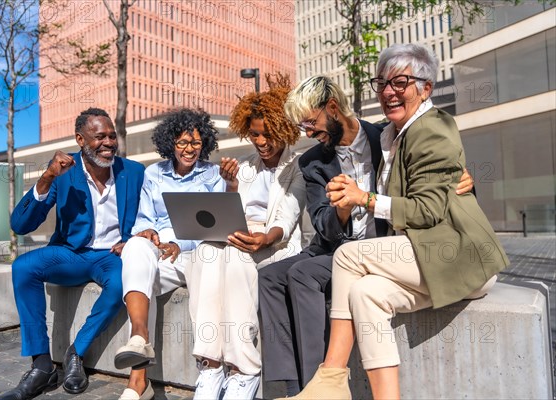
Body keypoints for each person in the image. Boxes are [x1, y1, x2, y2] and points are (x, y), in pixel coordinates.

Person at [283, 43, 509, 400]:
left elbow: (429, 209)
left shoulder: (430, 128)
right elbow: (434, 187)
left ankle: (331, 380)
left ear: (426, 89)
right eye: (383, 83)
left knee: (347, 258)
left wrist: (365, 198)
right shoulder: (393, 135)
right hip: (427, 256)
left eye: (401, 82)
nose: (389, 92)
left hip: (459, 258)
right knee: (364, 292)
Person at [258, 75, 475, 396]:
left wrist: (466, 183)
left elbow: (433, 183)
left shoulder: (386, 140)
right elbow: (324, 227)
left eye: (310, 122)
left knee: (302, 274)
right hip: (335, 245)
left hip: (381, 249)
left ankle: (318, 385)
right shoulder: (313, 162)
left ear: (332, 107)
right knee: (269, 277)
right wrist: (343, 207)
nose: (307, 132)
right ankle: (288, 385)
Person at [0, 108, 145, 400]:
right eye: (98, 137)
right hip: (71, 254)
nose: (108, 143)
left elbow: (151, 215)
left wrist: (133, 239)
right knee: (23, 267)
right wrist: (46, 178)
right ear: (80, 139)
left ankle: (75, 354)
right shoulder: (63, 173)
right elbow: (20, 224)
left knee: (121, 284)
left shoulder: (134, 171)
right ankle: (41, 366)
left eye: (111, 135)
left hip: (112, 257)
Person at [185, 74, 307, 400]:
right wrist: (231, 186)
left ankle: (244, 370)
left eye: (269, 134)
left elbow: (288, 218)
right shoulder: (245, 166)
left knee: (236, 257)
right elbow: (228, 213)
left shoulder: (298, 167)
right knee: (205, 253)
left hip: (275, 244)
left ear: (285, 131)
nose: (262, 141)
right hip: (238, 235)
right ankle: (210, 365)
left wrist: (266, 237)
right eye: (254, 134)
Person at [113, 108, 224, 400]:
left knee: (142, 278)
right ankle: (140, 338)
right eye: (183, 143)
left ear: (205, 143)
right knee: (136, 247)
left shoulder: (213, 175)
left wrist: (180, 245)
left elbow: (216, 227)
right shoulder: (154, 173)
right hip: (159, 252)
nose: (190, 149)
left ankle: (139, 381)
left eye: (196, 143)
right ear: (170, 143)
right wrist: (148, 234)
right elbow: (143, 220)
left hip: (194, 254)